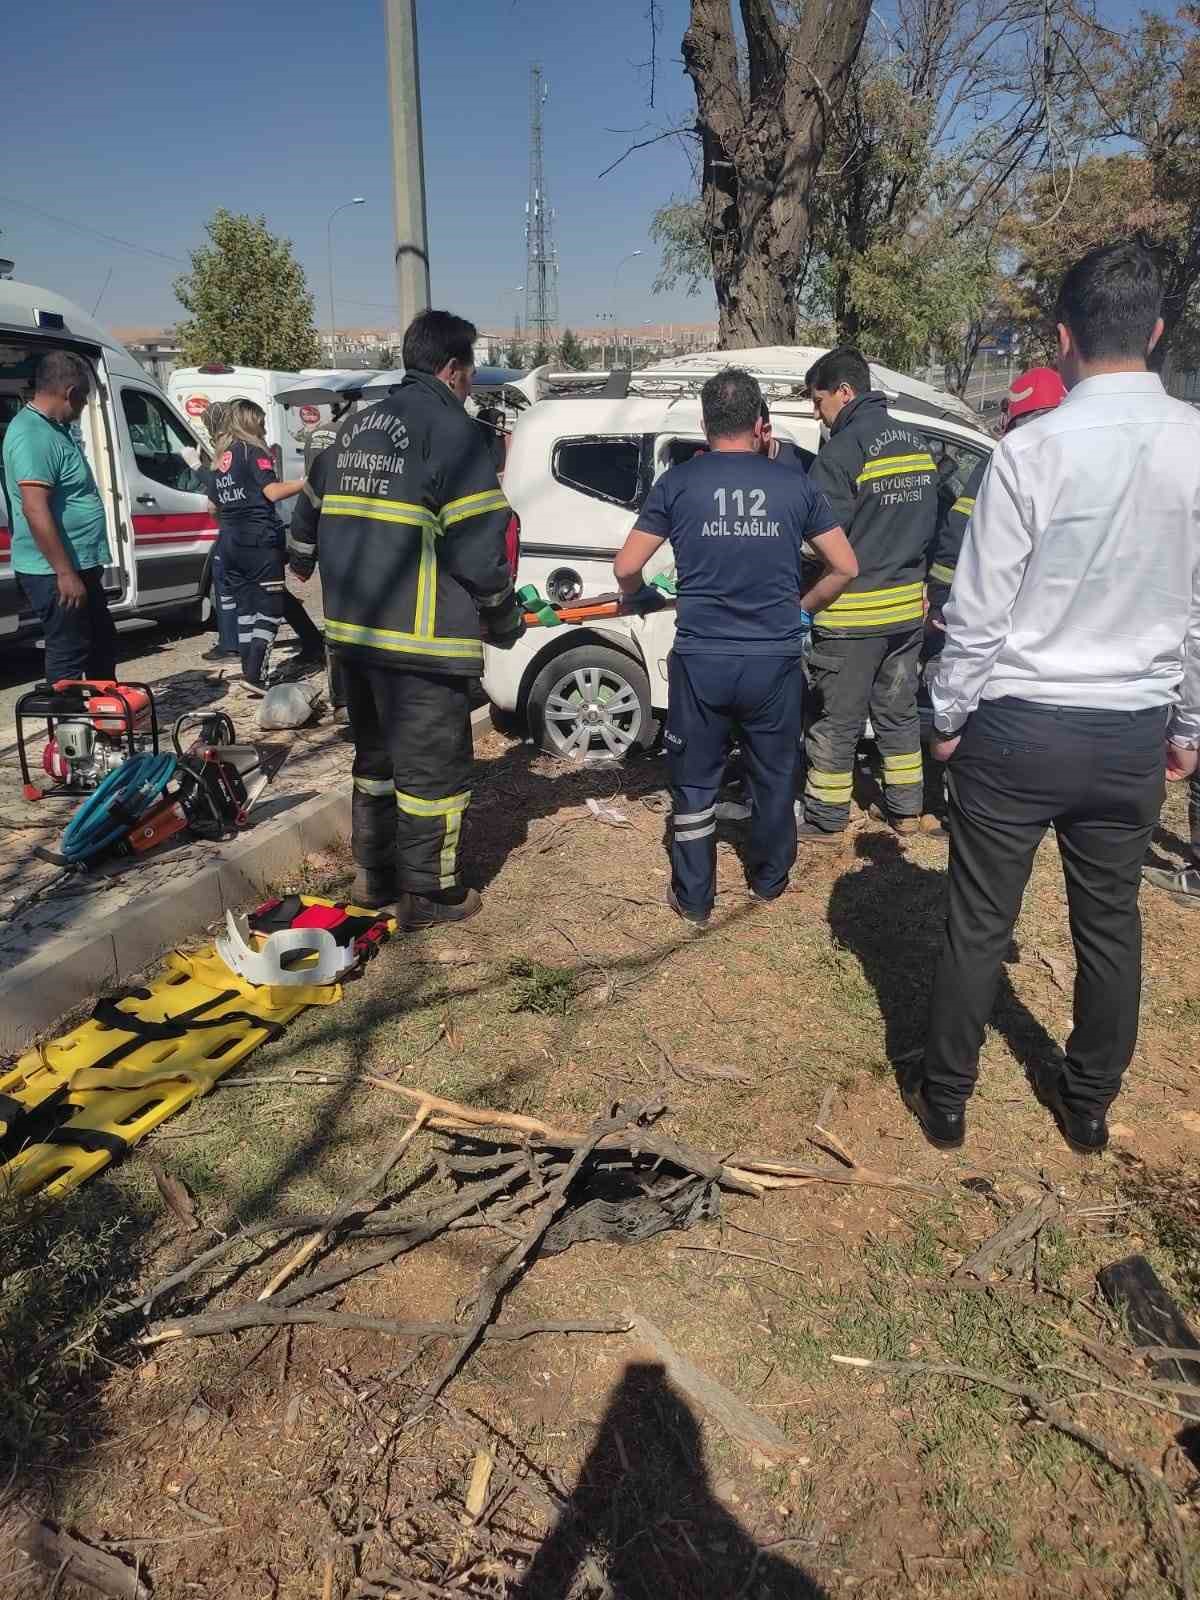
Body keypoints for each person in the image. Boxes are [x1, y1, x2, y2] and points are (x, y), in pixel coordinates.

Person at [911, 241, 1200, 1155]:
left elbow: (978, 610)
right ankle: (1087, 1102)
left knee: (978, 920)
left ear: (1063, 337)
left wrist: (948, 717)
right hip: (1129, 731)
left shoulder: (1031, 451)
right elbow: (1196, 610)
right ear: (1155, 333)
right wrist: (1189, 722)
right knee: (1110, 925)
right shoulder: (1197, 446)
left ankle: (948, 1097)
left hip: (1021, 724)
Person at [287, 309, 524, 925]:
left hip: (353, 639)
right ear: (452, 371)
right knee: (433, 775)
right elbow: (479, 545)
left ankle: (375, 879)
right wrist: (501, 616)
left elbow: (307, 515)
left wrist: (302, 558)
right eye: (468, 374)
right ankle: (428, 892)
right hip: (421, 644)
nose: (468, 386)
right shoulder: (453, 433)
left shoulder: (352, 429)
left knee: (376, 764)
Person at [612, 367, 857, 925]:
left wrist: (641, 596)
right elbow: (845, 566)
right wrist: (801, 609)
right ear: (759, 423)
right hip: (772, 661)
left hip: (703, 660)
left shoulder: (677, 485)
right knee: (773, 776)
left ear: (703, 424)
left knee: (696, 782)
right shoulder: (796, 485)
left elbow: (626, 566)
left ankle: (695, 897)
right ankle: (769, 881)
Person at [800, 348, 940, 842]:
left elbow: (818, 540)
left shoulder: (841, 453)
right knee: (898, 713)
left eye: (820, 401)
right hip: (905, 615)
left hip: (850, 616)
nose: (818, 414)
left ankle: (825, 819)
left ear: (845, 391)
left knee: (836, 721)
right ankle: (906, 812)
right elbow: (935, 523)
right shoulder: (918, 442)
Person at [2, 350, 118, 682]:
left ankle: (104, 724)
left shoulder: (52, 429)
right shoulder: (32, 435)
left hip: (77, 564)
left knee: (101, 643)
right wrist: (65, 573)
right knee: (69, 650)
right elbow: (34, 508)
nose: (83, 408)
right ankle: (70, 729)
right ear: (69, 392)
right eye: (83, 399)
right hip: (54, 571)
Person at [926, 367, 1067, 624]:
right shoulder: (1080, 462)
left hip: (996, 614)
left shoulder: (1009, 458)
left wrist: (939, 601)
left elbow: (960, 530)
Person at [206, 400, 307, 694]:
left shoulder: (220, 458)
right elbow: (273, 492)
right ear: (250, 422)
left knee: (246, 610)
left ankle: (249, 672)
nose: (264, 427)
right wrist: (306, 482)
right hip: (259, 540)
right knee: (270, 607)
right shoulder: (254, 452)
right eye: (261, 421)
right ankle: (256, 675)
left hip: (229, 542)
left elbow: (213, 507)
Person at [199, 401, 240, 664]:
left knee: (224, 582)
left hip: (233, 528)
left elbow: (215, 497)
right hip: (248, 529)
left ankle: (230, 644)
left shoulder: (226, 449)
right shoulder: (247, 443)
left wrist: (196, 468)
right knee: (265, 590)